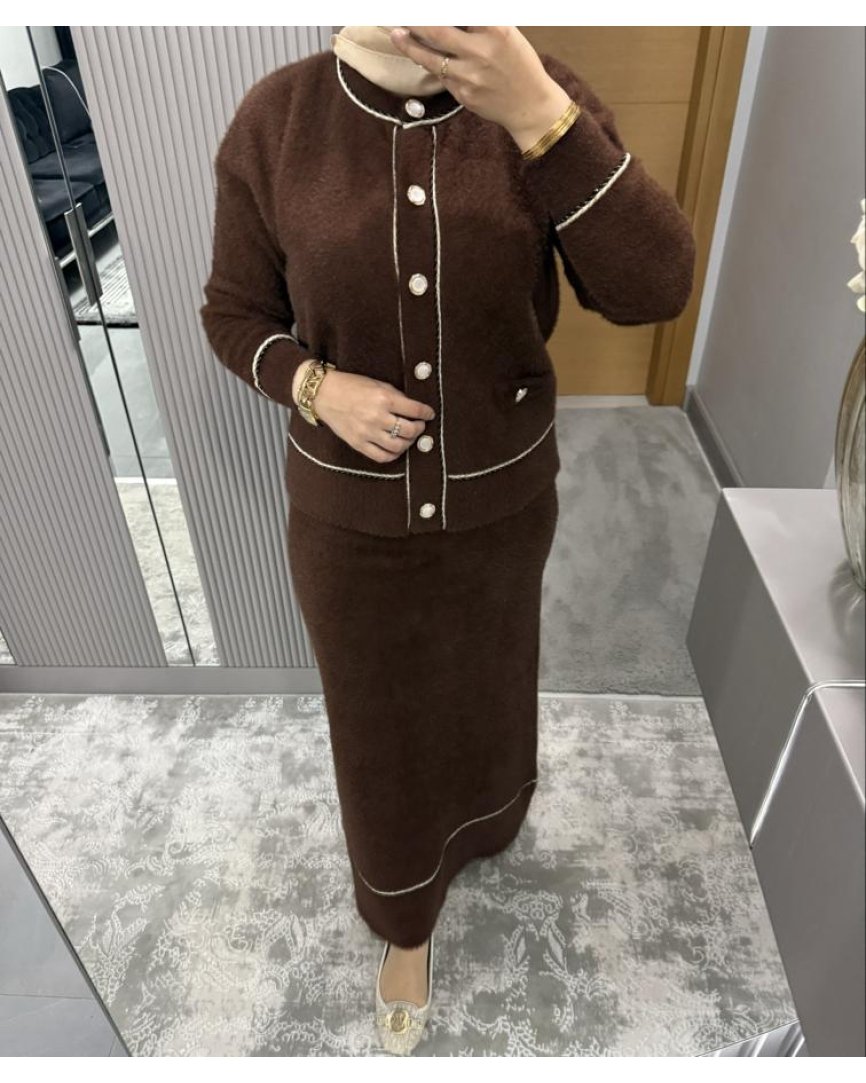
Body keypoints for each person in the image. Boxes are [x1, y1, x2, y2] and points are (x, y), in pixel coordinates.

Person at [200, 25, 695, 1055]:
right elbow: (233, 311)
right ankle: (403, 917)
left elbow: (652, 290)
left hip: (502, 500)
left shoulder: (542, 96)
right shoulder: (278, 120)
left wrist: (542, 119)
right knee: (375, 721)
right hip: (348, 516)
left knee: (492, 679)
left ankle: (487, 825)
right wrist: (314, 385)